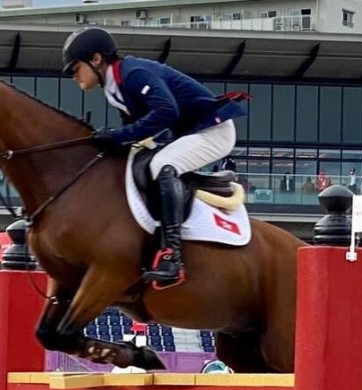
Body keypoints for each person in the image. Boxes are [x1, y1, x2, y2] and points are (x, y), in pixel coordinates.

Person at [61, 26, 248, 289]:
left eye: (74, 68)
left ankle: (172, 256)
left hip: (212, 131)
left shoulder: (134, 73)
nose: (73, 76)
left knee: (163, 165)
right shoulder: (113, 86)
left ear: (95, 59)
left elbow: (166, 111)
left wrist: (116, 136)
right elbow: (136, 130)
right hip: (186, 134)